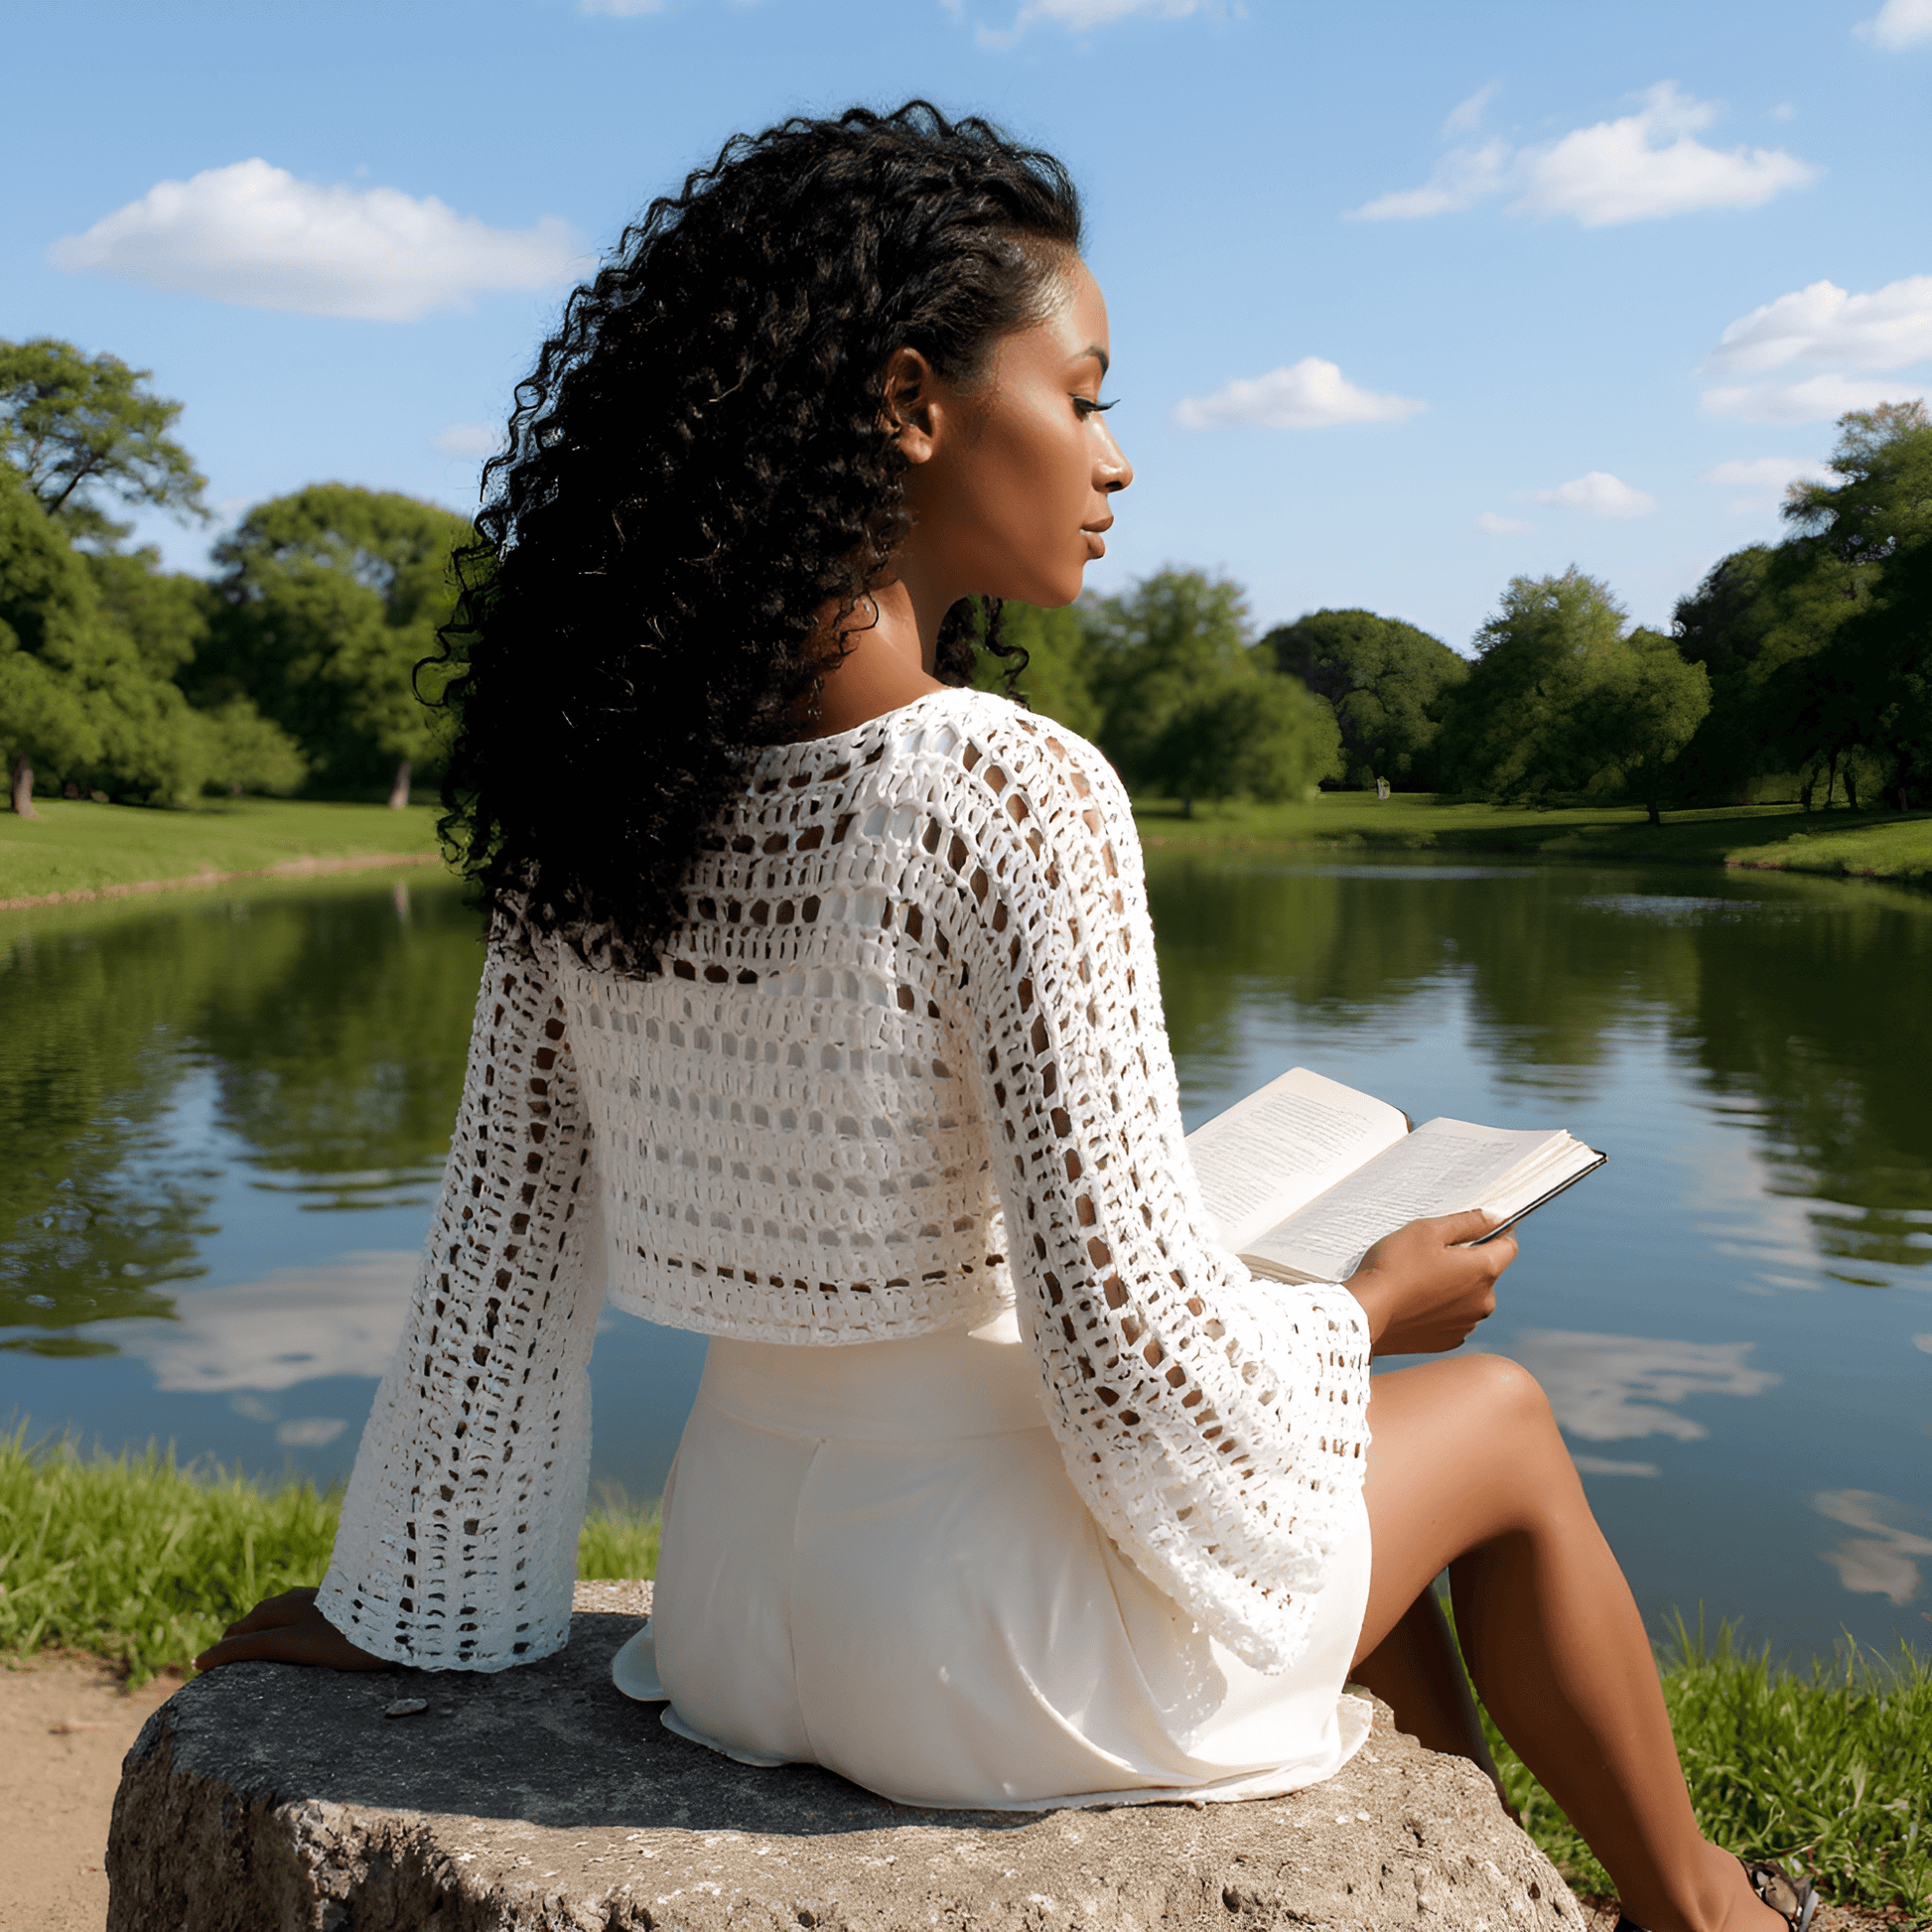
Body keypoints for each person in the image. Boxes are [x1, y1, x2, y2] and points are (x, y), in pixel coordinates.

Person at [197, 103, 1812, 1932]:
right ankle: (1710, 1916)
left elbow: (500, 1250)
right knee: (1494, 1410)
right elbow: (1127, 1367)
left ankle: (1484, 1873)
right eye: (1089, 393)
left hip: (735, 1618)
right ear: (911, 403)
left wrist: (397, 1597)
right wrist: (1363, 1307)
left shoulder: (605, 797)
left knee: (1319, 1490)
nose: (1118, 459)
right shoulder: (1004, 788)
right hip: (958, 1645)